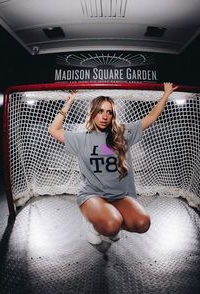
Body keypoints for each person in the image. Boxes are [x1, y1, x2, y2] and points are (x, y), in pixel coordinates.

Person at [48, 82, 178, 245]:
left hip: (120, 196)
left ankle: (110, 220)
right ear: (93, 113)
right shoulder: (81, 139)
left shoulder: (122, 133)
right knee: (111, 226)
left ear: (113, 115)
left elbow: (150, 118)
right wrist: (68, 103)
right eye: (100, 111)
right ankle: (94, 223)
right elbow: (53, 130)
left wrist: (165, 95)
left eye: (109, 112)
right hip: (93, 195)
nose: (104, 116)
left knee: (143, 223)